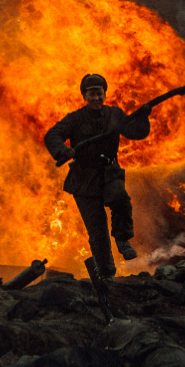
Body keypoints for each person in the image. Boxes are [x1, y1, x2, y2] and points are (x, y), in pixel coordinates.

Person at [44, 74, 151, 280]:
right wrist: (63, 151)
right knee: (98, 232)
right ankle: (107, 275)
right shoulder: (75, 119)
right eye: (91, 94)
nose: (96, 98)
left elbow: (136, 133)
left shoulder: (115, 115)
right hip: (84, 180)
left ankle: (122, 239)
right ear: (85, 96)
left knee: (120, 198)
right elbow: (52, 135)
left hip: (109, 172)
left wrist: (143, 117)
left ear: (104, 94)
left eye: (99, 94)